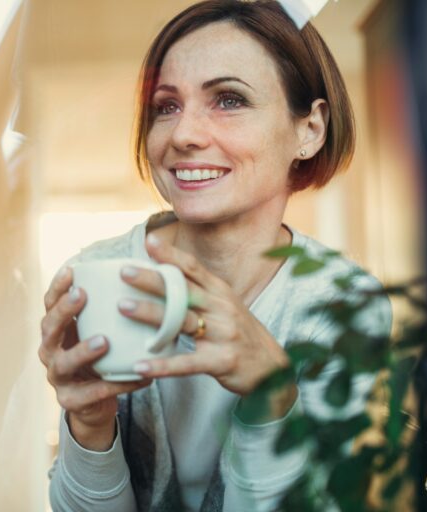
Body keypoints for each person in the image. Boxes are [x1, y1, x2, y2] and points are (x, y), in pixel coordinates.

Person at [38, 1, 392, 511]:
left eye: (228, 100)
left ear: (309, 129)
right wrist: (89, 425)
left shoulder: (343, 303)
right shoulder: (100, 274)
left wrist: (274, 399)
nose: (183, 135)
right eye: (166, 106)